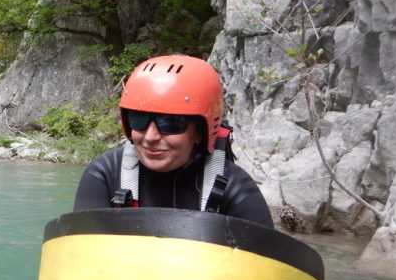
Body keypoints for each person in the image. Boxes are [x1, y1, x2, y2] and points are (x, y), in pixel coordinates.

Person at [73, 54, 274, 228]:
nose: (150, 137)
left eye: (170, 123)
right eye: (139, 120)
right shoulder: (104, 175)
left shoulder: (234, 187)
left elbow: (268, 267)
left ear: (200, 132)